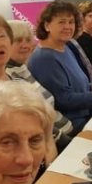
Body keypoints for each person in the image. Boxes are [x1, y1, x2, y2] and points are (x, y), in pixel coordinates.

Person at [28, 1, 92, 134]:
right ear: (46, 25)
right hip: (73, 126)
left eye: (71, 22)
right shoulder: (44, 58)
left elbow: (82, 80)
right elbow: (64, 101)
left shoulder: (65, 47)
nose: (68, 26)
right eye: (62, 22)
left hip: (88, 115)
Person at [6, 20, 73, 152]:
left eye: (27, 40)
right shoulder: (8, 76)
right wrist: (71, 144)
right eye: (18, 40)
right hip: (55, 142)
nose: (25, 45)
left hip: (66, 129)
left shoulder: (22, 68)